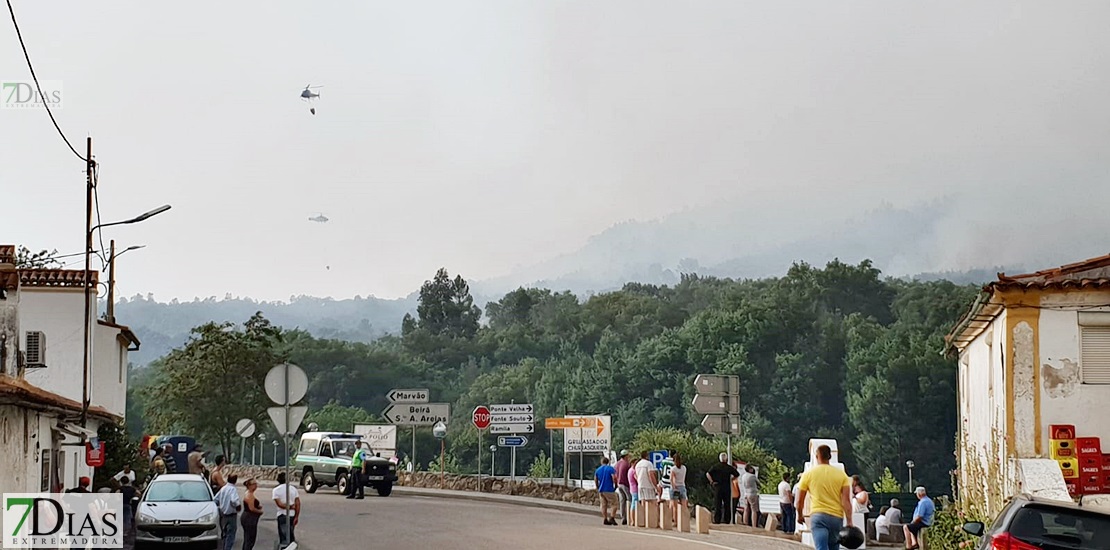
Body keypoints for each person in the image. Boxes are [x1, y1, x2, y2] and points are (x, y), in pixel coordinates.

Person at [795, 445, 852, 550]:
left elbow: (799, 501)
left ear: (817, 456)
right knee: (834, 547)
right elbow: (846, 501)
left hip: (818, 517)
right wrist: (849, 521)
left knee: (821, 548)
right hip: (836, 518)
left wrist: (799, 515)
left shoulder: (808, 474)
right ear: (830, 456)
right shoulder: (842, 475)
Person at [706, 453, 740, 524]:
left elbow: (708, 474)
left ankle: (717, 519)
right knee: (727, 504)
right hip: (727, 487)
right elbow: (737, 474)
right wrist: (731, 479)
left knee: (717, 504)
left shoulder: (716, 466)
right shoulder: (729, 467)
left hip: (718, 487)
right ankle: (727, 520)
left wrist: (712, 482)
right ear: (726, 459)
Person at [214, 474, 241, 550]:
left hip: (223, 514)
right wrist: (238, 506)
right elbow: (234, 500)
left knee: (224, 534)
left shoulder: (223, 488)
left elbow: (215, 499)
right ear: (235, 480)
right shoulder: (232, 489)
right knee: (230, 534)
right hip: (231, 515)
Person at [273, 472, 301, 546]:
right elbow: (298, 503)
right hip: (292, 515)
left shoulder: (276, 490)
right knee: (291, 534)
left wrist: (289, 507)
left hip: (282, 514)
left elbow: (279, 504)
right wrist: (296, 516)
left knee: (283, 536)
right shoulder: (293, 489)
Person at [240, 478, 264, 550]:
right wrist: (260, 512)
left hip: (250, 518)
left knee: (249, 538)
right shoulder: (249, 495)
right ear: (250, 485)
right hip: (249, 518)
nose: (256, 486)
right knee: (249, 539)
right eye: (254, 484)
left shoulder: (250, 494)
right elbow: (252, 508)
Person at [594, 456, 619, 525]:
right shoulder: (610, 469)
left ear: (601, 462)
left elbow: (595, 479)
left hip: (601, 489)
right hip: (609, 489)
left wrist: (597, 487)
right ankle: (612, 517)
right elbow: (614, 477)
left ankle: (605, 518)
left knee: (603, 505)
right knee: (614, 503)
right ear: (608, 462)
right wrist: (616, 485)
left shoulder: (598, 470)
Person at [669, 454, 689, 520]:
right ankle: (684, 520)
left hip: (676, 488)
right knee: (684, 505)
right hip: (682, 487)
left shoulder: (673, 469)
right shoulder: (684, 468)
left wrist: (674, 487)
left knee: (675, 507)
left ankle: (675, 520)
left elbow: (672, 479)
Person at [615, 450, 632, 525]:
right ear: (626, 456)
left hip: (619, 484)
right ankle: (631, 516)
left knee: (622, 501)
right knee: (630, 499)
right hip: (625, 483)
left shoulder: (617, 464)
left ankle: (623, 517)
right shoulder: (627, 464)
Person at [628, 456, 640, 521]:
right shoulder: (633, 471)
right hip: (635, 489)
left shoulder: (629, 470)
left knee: (633, 504)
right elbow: (637, 479)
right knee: (634, 504)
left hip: (632, 488)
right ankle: (633, 519)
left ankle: (632, 519)